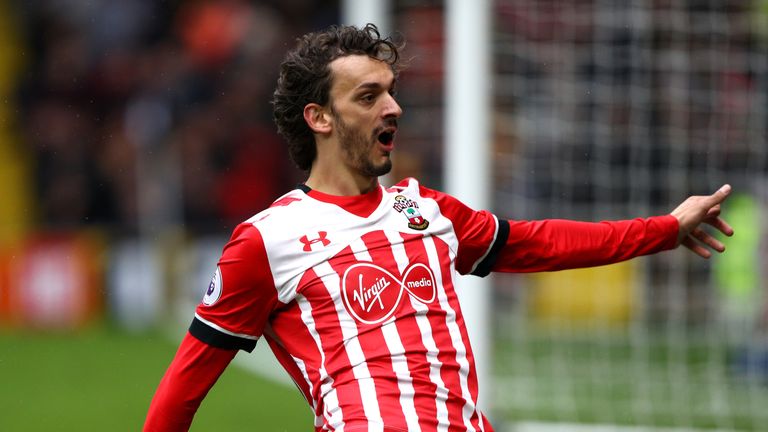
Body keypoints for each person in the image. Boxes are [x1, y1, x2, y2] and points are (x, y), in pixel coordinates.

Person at [143, 23, 734, 432]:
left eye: (391, 94)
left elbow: (541, 242)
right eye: (369, 96)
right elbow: (184, 386)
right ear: (319, 118)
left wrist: (663, 228)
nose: (392, 108)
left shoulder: (426, 211)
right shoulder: (268, 239)